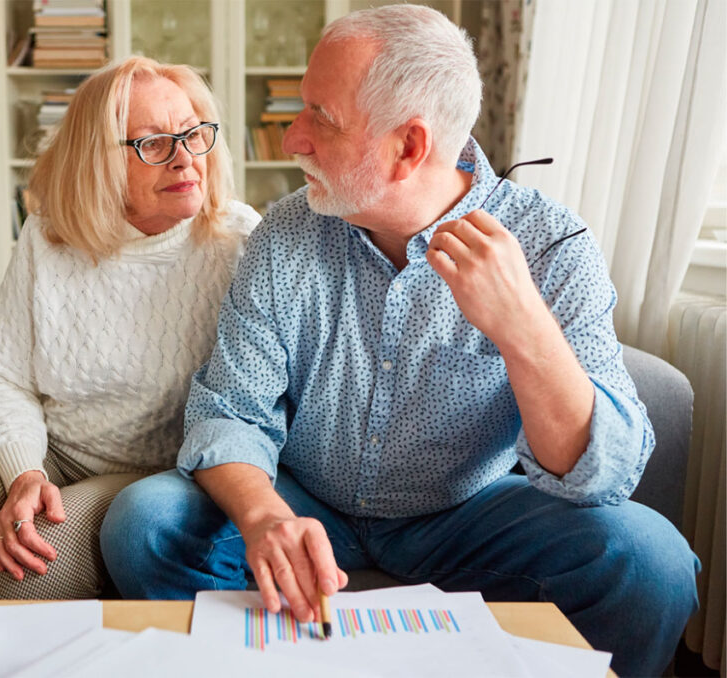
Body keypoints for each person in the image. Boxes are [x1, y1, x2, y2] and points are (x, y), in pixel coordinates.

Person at [99, 6, 699, 677]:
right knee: (145, 522)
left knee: (652, 563)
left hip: (471, 511)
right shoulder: (285, 235)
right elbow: (230, 410)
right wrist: (265, 516)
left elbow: (603, 476)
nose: (291, 138)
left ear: (408, 147)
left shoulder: (552, 244)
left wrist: (524, 329)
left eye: (319, 118)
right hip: (309, 502)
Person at [0, 56, 260, 601]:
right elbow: (1, 379)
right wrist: (24, 474)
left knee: (24, 575)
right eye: (152, 143)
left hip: (154, 476)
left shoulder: (240, 242)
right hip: (50, 449)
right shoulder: (48, 234)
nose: (184, 159)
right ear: (98, 161)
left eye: (194, 134)